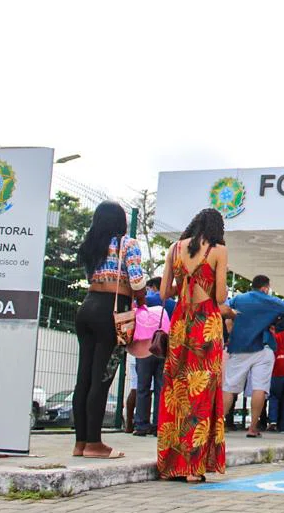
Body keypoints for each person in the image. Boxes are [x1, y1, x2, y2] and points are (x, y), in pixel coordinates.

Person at [156, 208, 231, 482]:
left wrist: (183, 283)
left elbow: (164, 292)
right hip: (205, 324)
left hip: (179, 324)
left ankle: (170, 465)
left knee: (175, 391)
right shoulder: (218, 250)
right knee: (202, 393)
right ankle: (193, 469)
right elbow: (221, 295)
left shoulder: (174, 248)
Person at [74, 201, 147, 459]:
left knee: (83, 378)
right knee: (102, 378)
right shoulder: (127, 244)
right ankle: (95, 443)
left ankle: (80, 442)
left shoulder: (90, 244)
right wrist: (142, 298)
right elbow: (136, 279)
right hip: (112, 314)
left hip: (86, 308)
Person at [222, 275, 284, 438]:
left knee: (230, 386)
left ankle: (218, 424)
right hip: (264, 347)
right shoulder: (271, 301)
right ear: (265, 288)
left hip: (239, 347)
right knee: (260, 388)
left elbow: (225, 311)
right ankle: (253, 427)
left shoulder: (238, 299)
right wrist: (278, 326)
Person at [133, 277, 170, 436]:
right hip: (163, 349)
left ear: (153, 287)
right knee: (161, 389)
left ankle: (141, 425)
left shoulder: (144, 300)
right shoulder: (172, 303)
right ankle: (159, 426)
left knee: (143, 388)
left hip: (143, 348)